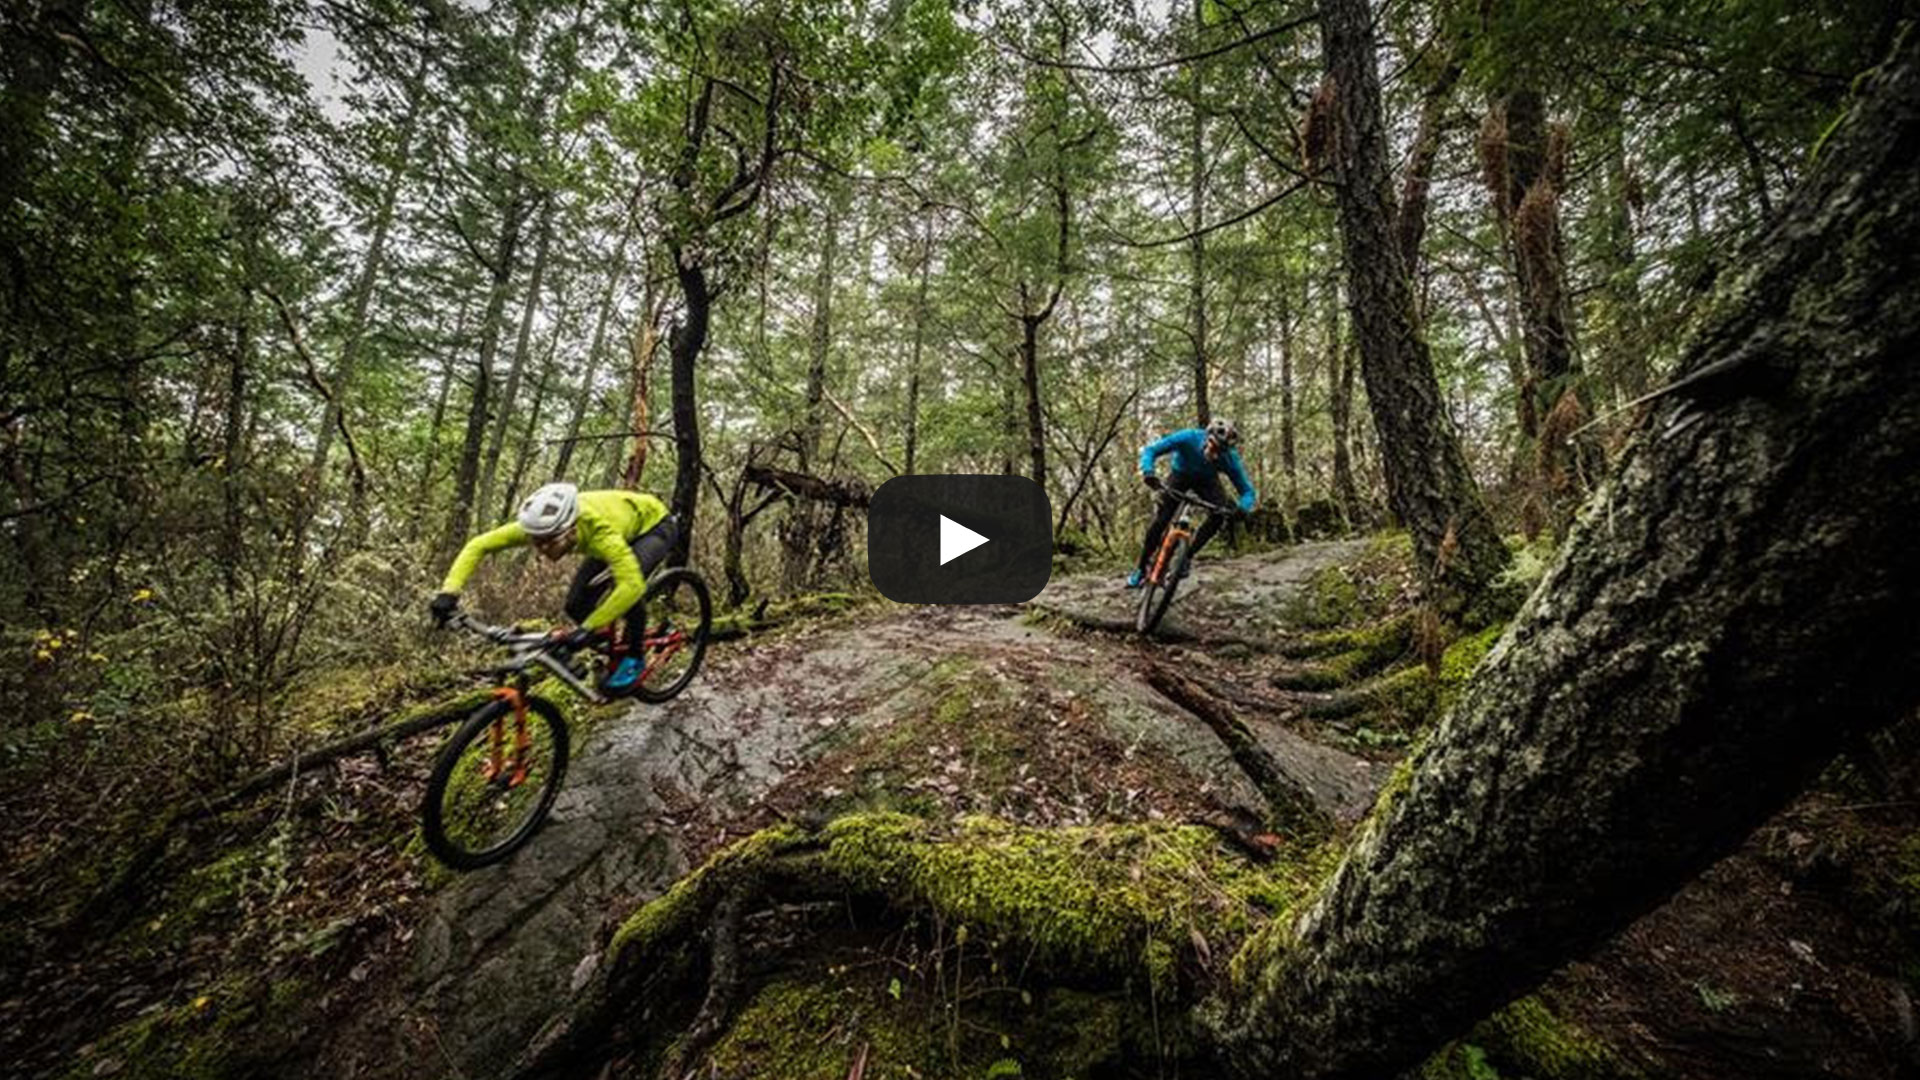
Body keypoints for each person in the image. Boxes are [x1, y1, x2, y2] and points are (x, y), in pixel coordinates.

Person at [430, 482, 678, 693]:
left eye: (549, 542)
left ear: (570, 530)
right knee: (575, 605)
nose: (541, 549)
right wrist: (449, 592)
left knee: (628, 588)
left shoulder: (599, 532)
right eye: (536, 542)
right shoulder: (538, 528)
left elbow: (632, 586)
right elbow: (478, 545)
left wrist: (588, 629)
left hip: (653, 525)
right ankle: (605, 639)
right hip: (620, 527)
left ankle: (634, 655)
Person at [1127, 417, 1256, 588]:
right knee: (1160, 521)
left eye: (1219, 451)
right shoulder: (1188, 437)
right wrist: (1148, 471)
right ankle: (1141, 568)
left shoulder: (1229, 459)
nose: (1213, 453)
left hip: (1207, 482)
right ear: (1206, 436)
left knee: (1218, 515)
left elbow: (1247, 491)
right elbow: (1151, 450)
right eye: (1212, 445)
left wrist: (1243, 508)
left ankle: (1186, 557)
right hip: (1180, 476)